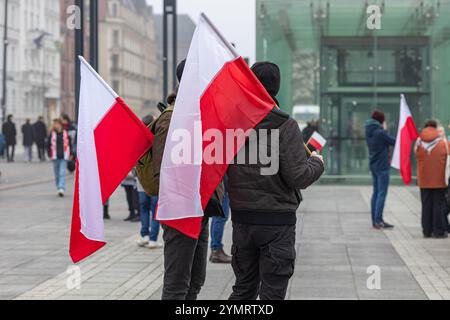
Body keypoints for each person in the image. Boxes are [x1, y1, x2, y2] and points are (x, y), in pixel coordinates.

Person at [227, 62, 325, 301]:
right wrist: (317, 162)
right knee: (272, 293)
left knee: (243, 289)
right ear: (277, 88)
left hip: (242, 218)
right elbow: (298, 177)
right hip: (276, 222)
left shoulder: (233, 123)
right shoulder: (285, 124)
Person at [152, 60, 224, 300]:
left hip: (201, 207)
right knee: (177, 284)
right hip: (180, 212)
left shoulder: (204, 113)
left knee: (195, 280)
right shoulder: (171, 119)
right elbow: (162, 169)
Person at [415, 120, 450, 238]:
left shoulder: (419, 142)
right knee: (438, 206)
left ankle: (426, 231)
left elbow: (416, 155)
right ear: (435, 128)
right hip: (440, 180)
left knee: (426, 205)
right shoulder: (443, 143)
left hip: (424, 180)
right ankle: (438, 231)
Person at [365, 111, 396, 230]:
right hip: (382, 166)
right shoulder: (380, 132)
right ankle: (378, 220)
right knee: (382, 193)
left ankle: (375, 220)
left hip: (374, 165)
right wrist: (385, 129)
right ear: (381, 121)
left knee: (376, 192)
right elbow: (393, 141)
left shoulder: (369, 131)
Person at [136, 114, 162, 249]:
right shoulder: (156, 138)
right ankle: (153, 239)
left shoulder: (138, 139)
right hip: (154, 182)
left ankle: (144, 236)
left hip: (141, 182)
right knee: (154, 210)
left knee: (144, 209)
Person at [47, 119, 72, 197]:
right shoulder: (52, 134)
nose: (55, 125)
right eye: (54, 124)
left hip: (64, 156)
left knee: (62, 173)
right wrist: (49, 154)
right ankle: (59, 186)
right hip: (55, 156)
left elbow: (69, 144)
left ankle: (61, 188)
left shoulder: (65, 133)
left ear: (60, 125)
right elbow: (48, 144)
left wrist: (71, 154)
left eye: (57, 124)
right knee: (57, 174)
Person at [209, 175, 232, 264]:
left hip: (219, 184)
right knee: (220, 217)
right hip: (221, 185)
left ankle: (215, 249)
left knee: (218, 217)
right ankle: (216, 249)